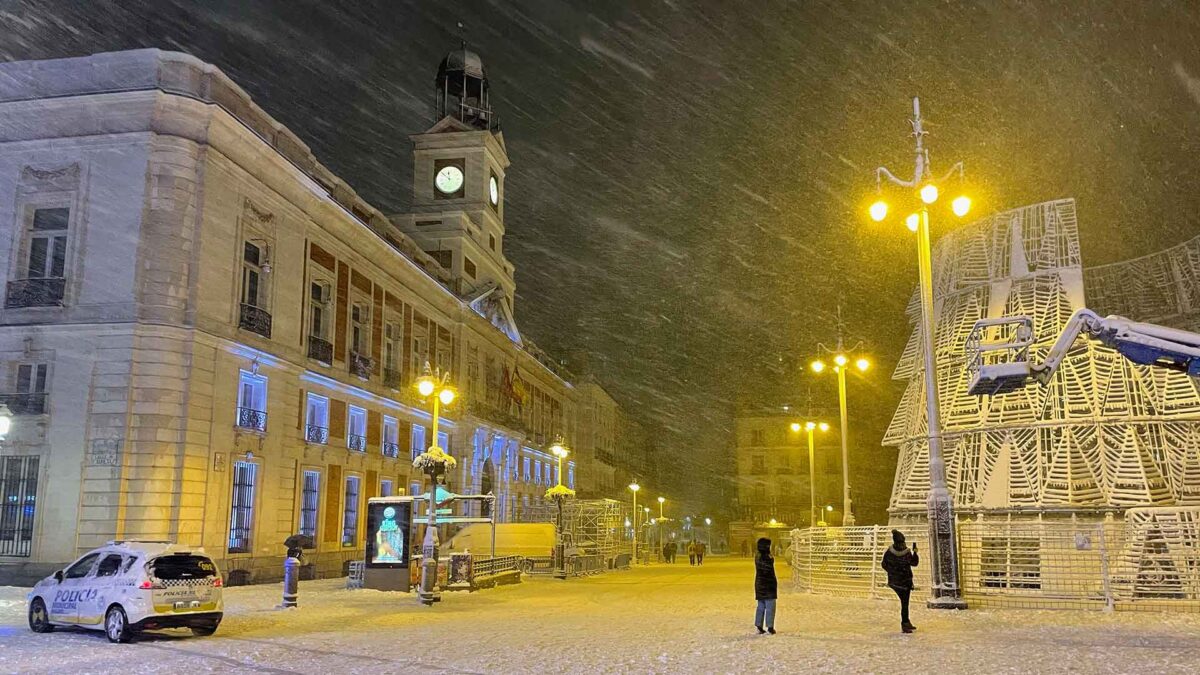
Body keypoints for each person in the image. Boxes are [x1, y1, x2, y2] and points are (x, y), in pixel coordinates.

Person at [881, 529, 920, 634]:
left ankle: (906, 622)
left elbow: (884, 564)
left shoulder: (889, 552)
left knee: (904, 603)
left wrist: (892, 572)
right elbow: (914, 563)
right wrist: (915, 553)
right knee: (905, 603)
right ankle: (905, 623)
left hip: (894, 581)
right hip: (905, 581)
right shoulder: (906, 553)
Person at [753, 537, 777, 635]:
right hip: (768, 585)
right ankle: (770, 627)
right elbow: (768, 568)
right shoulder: (765, 557)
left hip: (759, 583)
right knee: (770, 606)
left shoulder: (757, 556)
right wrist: (771, 558)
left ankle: (759, 625)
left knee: (761, 605)